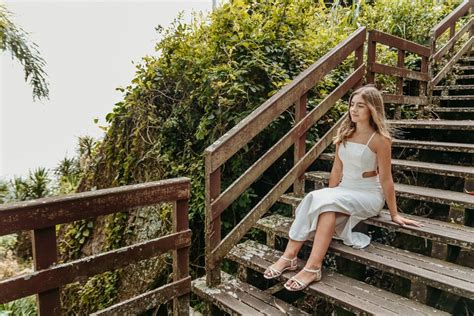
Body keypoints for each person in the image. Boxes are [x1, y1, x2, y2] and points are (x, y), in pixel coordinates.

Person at [263, 85, 422, 291]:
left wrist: (394, 214)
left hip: (368, 194)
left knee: (322, 200)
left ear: (372, 109)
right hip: (344, 190)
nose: (353, 110)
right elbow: (337, 169)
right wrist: (329, 195)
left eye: (360, 106)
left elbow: (386, 179)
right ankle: (295, 260)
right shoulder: (345, 132)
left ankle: (305, 265)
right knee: (324, 205)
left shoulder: (381, 140)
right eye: (352, 105)